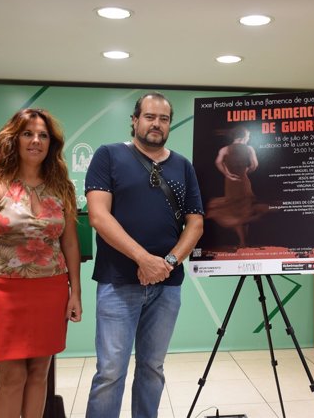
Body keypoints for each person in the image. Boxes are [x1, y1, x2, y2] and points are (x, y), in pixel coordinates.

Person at [85, 92, 204, 418]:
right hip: (118, 282)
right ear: (134, 121)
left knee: (153, 367)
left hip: (167, 286)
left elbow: (195, 223)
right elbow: (99, 216)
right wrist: (143, 259)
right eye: (149, 116)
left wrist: (166, 263)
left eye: (163, 118)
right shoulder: (108, 156)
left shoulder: (183, 165)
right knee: (110, 372)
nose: (156, 124)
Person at [0, 108, 82, 417]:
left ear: (52, 143)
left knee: (38, 374)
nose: (36, 141)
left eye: (43, 135)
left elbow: (70, 242)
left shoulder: (62, 186)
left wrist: (75, 293)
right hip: (3, 291)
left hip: (51, 290)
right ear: (14, 139)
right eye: (28, 134)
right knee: (12, 376)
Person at [205, 126, 268, 247]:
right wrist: (245, 172)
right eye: (248, 136)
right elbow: (255, 165)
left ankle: (243, 242)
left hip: (230, 183)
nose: (249, 138)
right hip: (243, 182)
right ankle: (243, 242)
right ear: (244, 136)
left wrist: (227, 174)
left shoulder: (225, 149)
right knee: (245, 211)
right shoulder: (249, 149)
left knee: (235, 212)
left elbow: (218, 162)